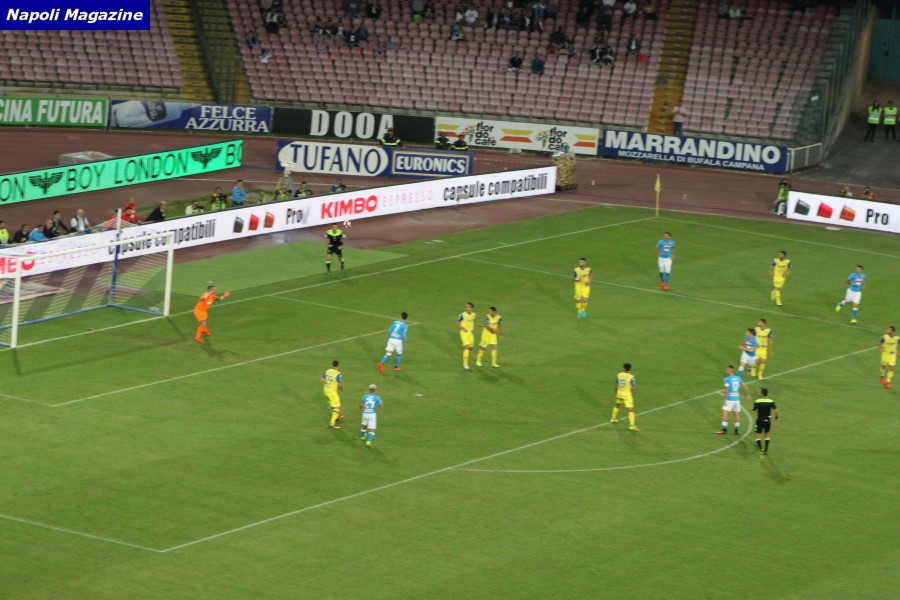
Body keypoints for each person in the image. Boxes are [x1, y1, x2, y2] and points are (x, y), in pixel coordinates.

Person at [718, 365, 751, 435]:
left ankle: (724, 429)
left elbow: (726, 390)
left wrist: (725, 399)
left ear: (730, 371)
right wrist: (747, 394)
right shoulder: (738, 378)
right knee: (736, 414)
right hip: (736, 399)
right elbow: (744, 386)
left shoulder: (727, 379)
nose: (726, 371)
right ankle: (736, 430)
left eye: (727, 369)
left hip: (729, 399)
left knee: (725, 413)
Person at [610, 363, 639, 431]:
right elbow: (633, 388)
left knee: (617, 405)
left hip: (619, 393)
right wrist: (630, 388)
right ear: (630, 369)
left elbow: (616, 385)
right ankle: (632, 426)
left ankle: (613, 418)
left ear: (624, 368)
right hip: (627, 395)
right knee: (631, 409)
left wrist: (616, 393)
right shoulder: (631, 377)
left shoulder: (619, 375)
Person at [752, 388, 779, 455]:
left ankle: (761, 449)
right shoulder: (771, 401)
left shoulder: (757, 401)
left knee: (758, 435)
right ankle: (766, 450)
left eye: (760, 392)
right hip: (767, 421)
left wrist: (753, 407)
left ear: (762, 393)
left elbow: (754, 409)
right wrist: (776, 417)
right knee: (767, 435)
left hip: (759, 420)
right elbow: (776, 410)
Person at [322, 359, 345, 429]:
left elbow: (322, 379)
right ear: (338, 365)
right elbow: (339, 384)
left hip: (325, 391)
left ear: (332, 365)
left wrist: (328, 383)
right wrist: (342, 389)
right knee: (337, 407)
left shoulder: (327, 371)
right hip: (332, 392)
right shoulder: (338, 373)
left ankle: (337, 417)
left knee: (333, 405)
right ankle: (332, 423)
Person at [456, 302, 477, 369]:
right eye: (466, 307)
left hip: (470, 333)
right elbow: (457, 324)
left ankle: (466, 358)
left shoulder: (473, 315)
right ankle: (465, 364)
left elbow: (474, 323)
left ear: (472, 308)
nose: (466, 308)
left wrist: (483, 326)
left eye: (468, 307)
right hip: (464, 333)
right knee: (467, 347)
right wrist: (463, 328)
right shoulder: (462, 315)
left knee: (470, 348)